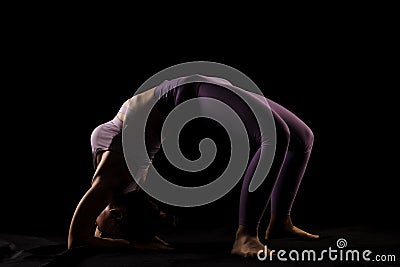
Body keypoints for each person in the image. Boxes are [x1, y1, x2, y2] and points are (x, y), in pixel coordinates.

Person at [68, 74, 319, 258]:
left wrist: (128, 244)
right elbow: (83, 238)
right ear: (116, 215)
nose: (96, 229)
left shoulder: (110, 183)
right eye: (101, 231)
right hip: (194, 90)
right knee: (299, 138)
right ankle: (259, 230)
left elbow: (78, 240)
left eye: (98, 231)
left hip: (188, 89)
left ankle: (262, 228)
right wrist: (137, 240)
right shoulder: (119, 186)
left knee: (280, 136)